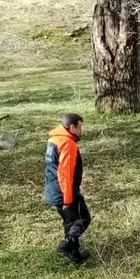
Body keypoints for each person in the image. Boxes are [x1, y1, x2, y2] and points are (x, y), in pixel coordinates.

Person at [45, 113, 90, 265]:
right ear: (72, 127)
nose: (80, 131)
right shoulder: (67, 144)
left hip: (53, 190)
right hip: (65, 191)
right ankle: (65, 246)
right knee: (83, 218)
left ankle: (74, 254)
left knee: (70, 222)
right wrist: (68, 198)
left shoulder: (54, 139)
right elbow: (65, 173)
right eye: (79, 127)